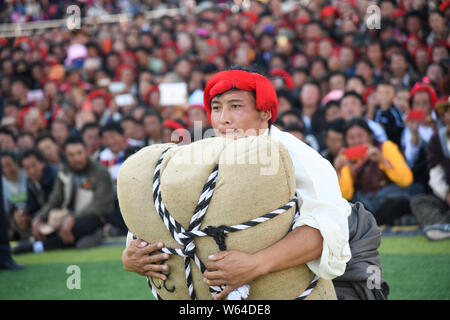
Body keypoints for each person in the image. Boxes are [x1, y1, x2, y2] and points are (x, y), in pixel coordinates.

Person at [122, 67, 353, 300]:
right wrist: (132, 254)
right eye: (216, 108)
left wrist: (257, 263)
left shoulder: (295, 154)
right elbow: (165, 213)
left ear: (264, 113)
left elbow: (325, 233)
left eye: (236, 106)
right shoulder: (201, 155)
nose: (224, 118)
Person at [12, 136, 114, 254]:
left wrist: (73, 217)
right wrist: (39, 218)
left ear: (86, 151)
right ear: (65, 155)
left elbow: (102, 205)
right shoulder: (64, 171)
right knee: (41, 223)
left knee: (84, 224)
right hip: (66, 217)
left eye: (79, 153)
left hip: (94, 217)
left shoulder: (99, 171)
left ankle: (39, 247)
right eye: (71, 155)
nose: (76, 158)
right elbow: (55, 200)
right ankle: (80, 240)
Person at [334, 117, 414, 226]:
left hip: (387, 197)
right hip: (365, 203)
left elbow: (406, 180)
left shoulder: (385, 147)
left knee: (401, 199)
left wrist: (382, 160)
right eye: (351, 137)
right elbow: (346, 195)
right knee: (350, 208)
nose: (357, 141)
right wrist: (338, 170)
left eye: (360, 136)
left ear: (370, 136)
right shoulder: (345, 158)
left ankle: (369, 223)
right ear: (346, 141)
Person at [410, 96, 450, 241]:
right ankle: (440, 226)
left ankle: (439, 227)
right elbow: (435, 174)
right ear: (444, 117)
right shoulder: (437, 138)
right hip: (446, 196)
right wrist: (446, 194)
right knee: (418, 201)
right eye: (448, 112)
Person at [16, 148, 58, 241]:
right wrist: (23, 213)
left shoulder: (54, 175)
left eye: (34, 165)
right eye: (27, 168)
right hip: (44, 215)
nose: (31, 171)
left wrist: (38, 218)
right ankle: (30, 241)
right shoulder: (29, 182)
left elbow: (54, 202)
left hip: (57, 213)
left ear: (42, 163)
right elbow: (31, 206)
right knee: (20, 217)